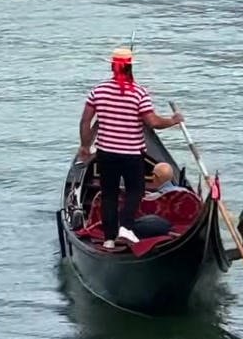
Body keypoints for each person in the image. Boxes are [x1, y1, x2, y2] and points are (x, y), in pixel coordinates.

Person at [76, 48, 184, 250]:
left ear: (112, 67)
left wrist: (84, 146)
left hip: (106, 153)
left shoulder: (98, 91)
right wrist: (173, 121)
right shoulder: (139, 93)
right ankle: (126, 226)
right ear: (130, 67)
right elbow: (152, 122)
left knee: (108, 194)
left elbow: (85, 121)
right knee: (135, 191)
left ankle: (109, 239)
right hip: (132, 154)